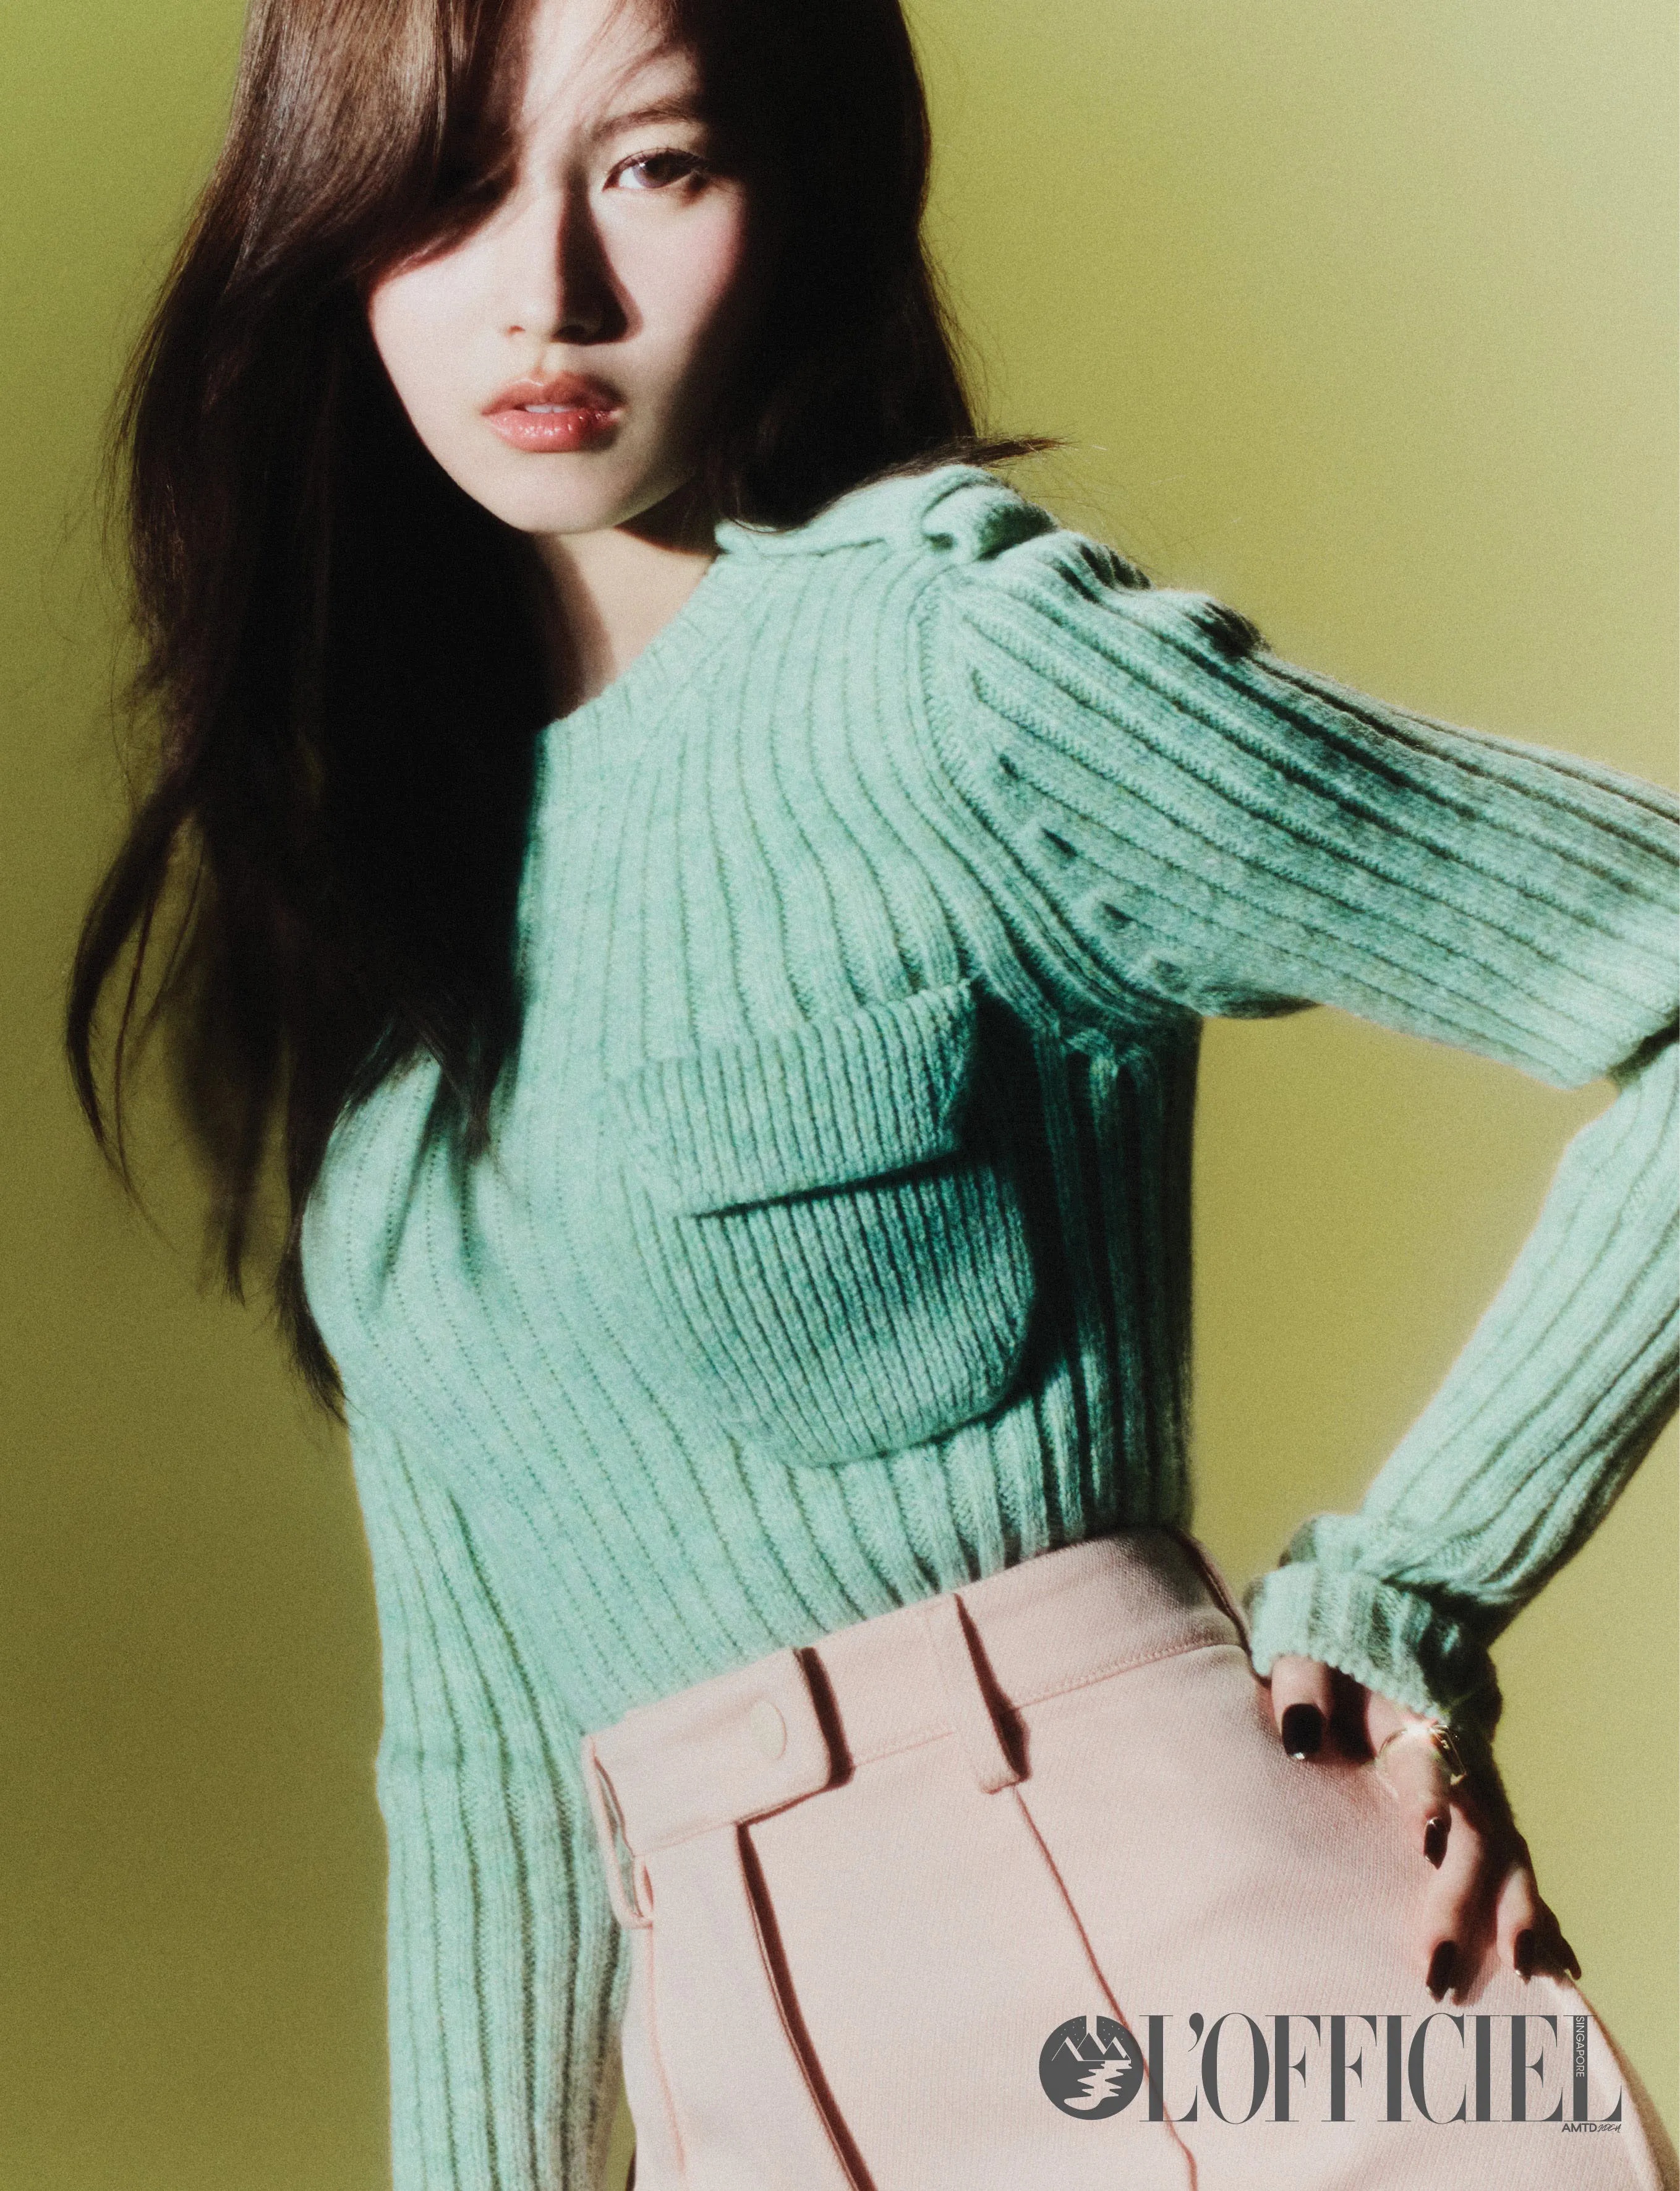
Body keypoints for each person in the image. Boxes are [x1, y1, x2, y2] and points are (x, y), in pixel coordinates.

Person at [67, 0, 1678, 2183]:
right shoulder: (397, 1007)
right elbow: (485, 1791)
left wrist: (1417, 1583)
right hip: (752, 2108)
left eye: (655, 165)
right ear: (327, 236)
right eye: (449, 186)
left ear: (799, 191)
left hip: (1219, 2021)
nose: (549, 290)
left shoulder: (951, 679)